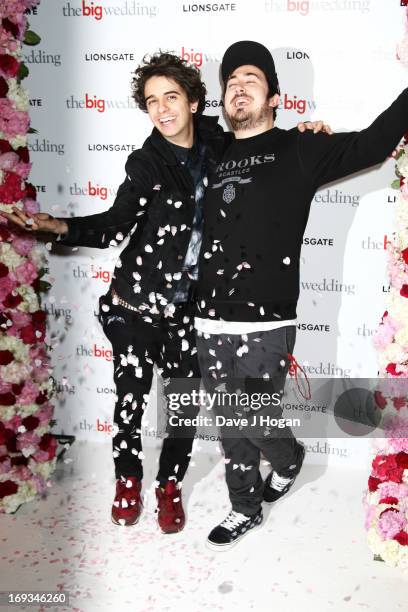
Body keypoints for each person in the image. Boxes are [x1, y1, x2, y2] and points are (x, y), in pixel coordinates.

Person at [2, 50, 330, 534]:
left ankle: (168, 486)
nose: (162, 109)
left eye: (171, 96)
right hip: (135, 306)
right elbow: (114, 226)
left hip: (190, 314)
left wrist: (309, 135)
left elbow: (267, 146)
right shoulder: (146, 163)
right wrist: (58, 225)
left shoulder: (221, 144)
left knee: (181, 408)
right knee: (130, 404)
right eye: (152, 101)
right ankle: (128, 480)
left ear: (195, 101)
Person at [194, 40, 408, 550]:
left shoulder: (300, 148)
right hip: (207, 317)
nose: (238, 87)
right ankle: (246, 507)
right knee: (229, 422)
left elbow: (374, 144)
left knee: (246, 413)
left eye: (251, 78)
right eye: (230, 81)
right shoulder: (212, 151)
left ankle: (287, 459)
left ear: (274, 96)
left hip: (265, 318)